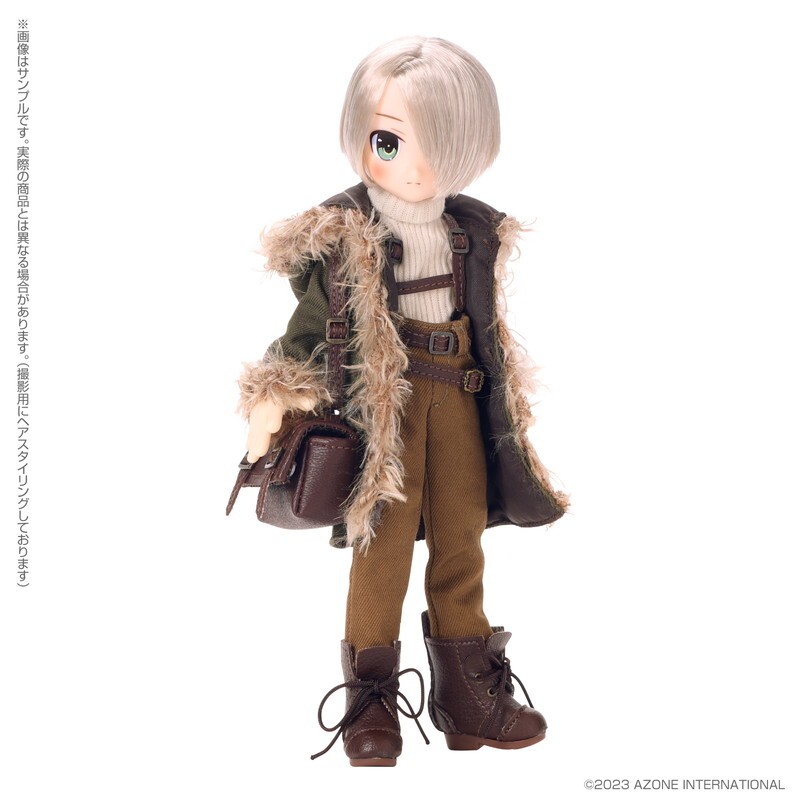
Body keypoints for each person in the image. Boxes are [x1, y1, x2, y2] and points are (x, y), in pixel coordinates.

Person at [236, 36, 569, 766]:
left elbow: (484, 325)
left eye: (438, 147)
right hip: (383, 411)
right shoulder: (344, 235)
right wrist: (276, 394)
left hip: (459, 395)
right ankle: (370, 700)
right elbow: (311, 327)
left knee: (462, 538)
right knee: (380, 547)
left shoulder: (469, 230)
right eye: (387, 142)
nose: (412, 167)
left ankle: (467, 696)